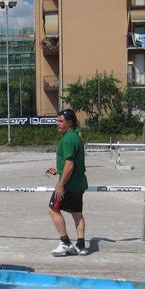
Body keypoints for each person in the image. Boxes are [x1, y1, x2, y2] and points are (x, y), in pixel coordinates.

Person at [45, 108, 88, 256]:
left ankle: (65, 243)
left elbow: (70, 165)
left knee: (53, 209)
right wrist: (59, 169)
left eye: (60, 121)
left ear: (69, 123)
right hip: (79, 183)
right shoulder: (77, 136)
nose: (57, 124)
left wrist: (60, 185)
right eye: (57, 121)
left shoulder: (68, 140)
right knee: (77, 213)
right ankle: (81, 246)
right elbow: (71, 163)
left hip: (68, 185)